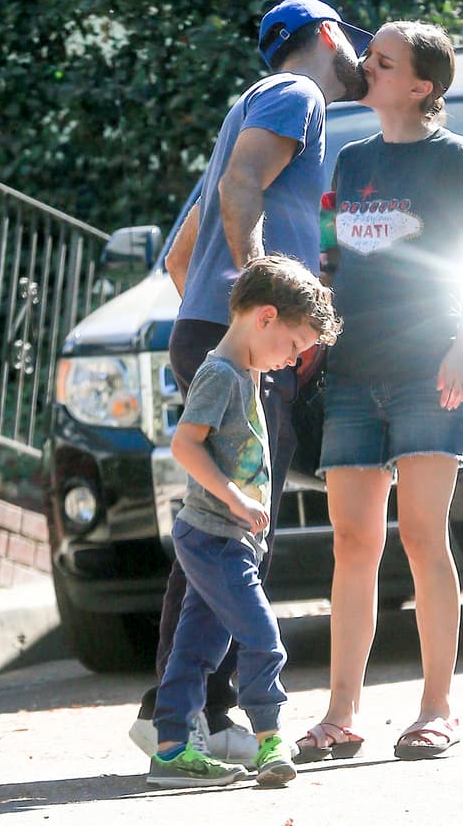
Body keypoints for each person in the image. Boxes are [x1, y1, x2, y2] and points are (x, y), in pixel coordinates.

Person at [130, 0, 371, 764]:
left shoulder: (251, 111)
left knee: (219, 530)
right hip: (241, 340)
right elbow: (240, 189)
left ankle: (182, 710)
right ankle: (188, 713)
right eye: (353, 41)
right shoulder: (296, 94)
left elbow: (180, 255)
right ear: (327, 35)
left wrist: (224, 326)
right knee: (233, 535)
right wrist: (261, 314)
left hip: (213, 332)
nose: (361, 57)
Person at [295, 21, 463, 763]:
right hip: (351, 372)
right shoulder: (350, 159)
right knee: (352, 542)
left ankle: (438, 708)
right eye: (369, 56)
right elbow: (329, 256)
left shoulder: (453, 158)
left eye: (382, 61)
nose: (365, 67)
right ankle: (341, 715)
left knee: (421, 537)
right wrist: (307, 333)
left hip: (428, 369)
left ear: (420, 86)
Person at [148, 255, 342, 788]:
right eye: (293, 345)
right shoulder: (220, 375)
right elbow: (185, 445)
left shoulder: (247, 372)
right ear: (265, 317)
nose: (292, 360)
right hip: (215, 535)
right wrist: (235, 499)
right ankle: (270, 740)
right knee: (263, 638)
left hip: (224, 538)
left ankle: (170, 751)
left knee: (196, 650)